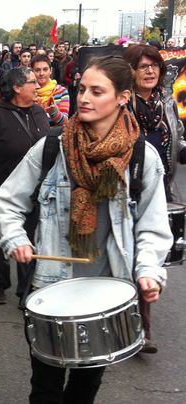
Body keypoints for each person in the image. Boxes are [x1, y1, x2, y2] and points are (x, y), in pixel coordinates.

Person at [0, 56, 170, 403]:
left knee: (84, 391)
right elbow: (8, 201)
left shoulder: (141, 157)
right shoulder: (52, 147)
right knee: (44, 389)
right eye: (81, 89)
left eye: (97, 91)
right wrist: (16, 238)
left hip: (107, 293)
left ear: (122, 97)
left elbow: (152, 224)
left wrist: (148, 271)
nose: (84, 97)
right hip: (51, 287)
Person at [123, 44, 186, 354]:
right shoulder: (121, 105)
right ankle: (134, 326)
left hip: (161, 187)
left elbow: (178, 138)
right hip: (126, 190)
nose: (149, 70)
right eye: (142, 66)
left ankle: (140, 327)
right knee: (128, 254)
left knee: (149, 257)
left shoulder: (166, 104)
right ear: (130, 71)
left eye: (154, 65)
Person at [0, 66, 49, 305]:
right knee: (1, 237)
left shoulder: (39, 112)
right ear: (17, 87)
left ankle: (26, 289)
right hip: (3, 191)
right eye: (32, 82)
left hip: (37, 191)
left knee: (32, 238)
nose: (37, 86)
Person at [32, 54, 69, 127]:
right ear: (32, 72)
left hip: (55, 135)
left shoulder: (61, 91)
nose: (41, 74)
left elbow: (64, 122)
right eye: (37, 70)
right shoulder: (28, 92)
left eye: (45, 69)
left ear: (50, 70)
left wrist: (53, 112)